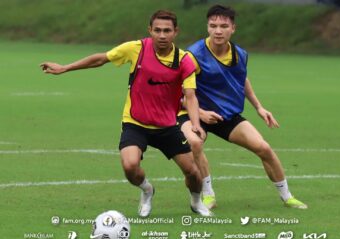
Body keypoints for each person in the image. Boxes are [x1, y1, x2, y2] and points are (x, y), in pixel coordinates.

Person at [40, 10, 212, 217]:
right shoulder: (136, 48)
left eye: (167, 30)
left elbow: (190, 96)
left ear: (176, 32)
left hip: (167, 125)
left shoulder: (185, 60)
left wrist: (195, 124)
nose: (162, 35)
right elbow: (100, 59)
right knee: (130, 167)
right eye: (157, 30)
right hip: (135, 122)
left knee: (193, 172)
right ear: (150, 30)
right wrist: (65, 68)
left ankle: (196, 202)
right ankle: (147, 190)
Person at [178, 5, 307, 209]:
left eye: (223, 26)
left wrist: (259, 107)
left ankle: (287, 196)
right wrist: (200, 113)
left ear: (233, 28)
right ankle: (208, 195)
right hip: (193, 112)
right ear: (207, 27)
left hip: (224, 115)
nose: (218, 30)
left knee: (263, 148)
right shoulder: (193, 55)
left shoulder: (240, 54)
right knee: (195, 143)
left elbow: (242, 79)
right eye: (213, 26)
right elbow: (177, 92)